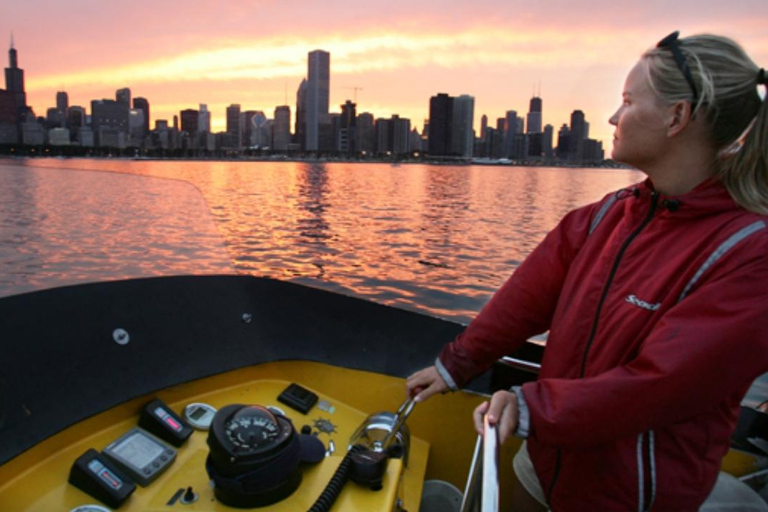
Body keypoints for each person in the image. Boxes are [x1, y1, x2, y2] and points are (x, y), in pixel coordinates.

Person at [407, 31, 768, 511]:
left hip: (633, 494)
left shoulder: (747, 255)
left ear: (676, 117)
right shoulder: (606, 215)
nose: (614, 117)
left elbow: (661, 385)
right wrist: (454, 366)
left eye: (627, 101)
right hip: (548, 461)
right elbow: (525, 300)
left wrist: (535, 409)